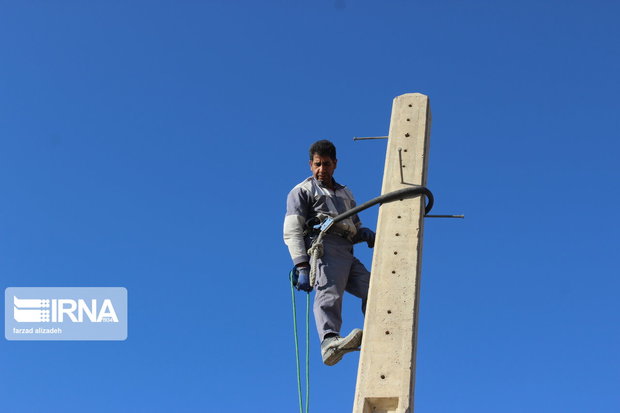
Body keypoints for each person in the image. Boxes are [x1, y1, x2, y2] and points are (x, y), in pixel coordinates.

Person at [283, 139, 375, 366]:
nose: (321, 170)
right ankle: (329, 340)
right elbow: (292, 230)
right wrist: (302, 265)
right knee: (329, 291)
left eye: (326, 164)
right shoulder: (303, 191)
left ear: (335, 164)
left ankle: (378, 330)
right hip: (325, 247)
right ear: (310, 165)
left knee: (373, 289)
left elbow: (354, 223)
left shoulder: (345, 193)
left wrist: (362, 233)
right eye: (317, 165)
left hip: (347, 249)